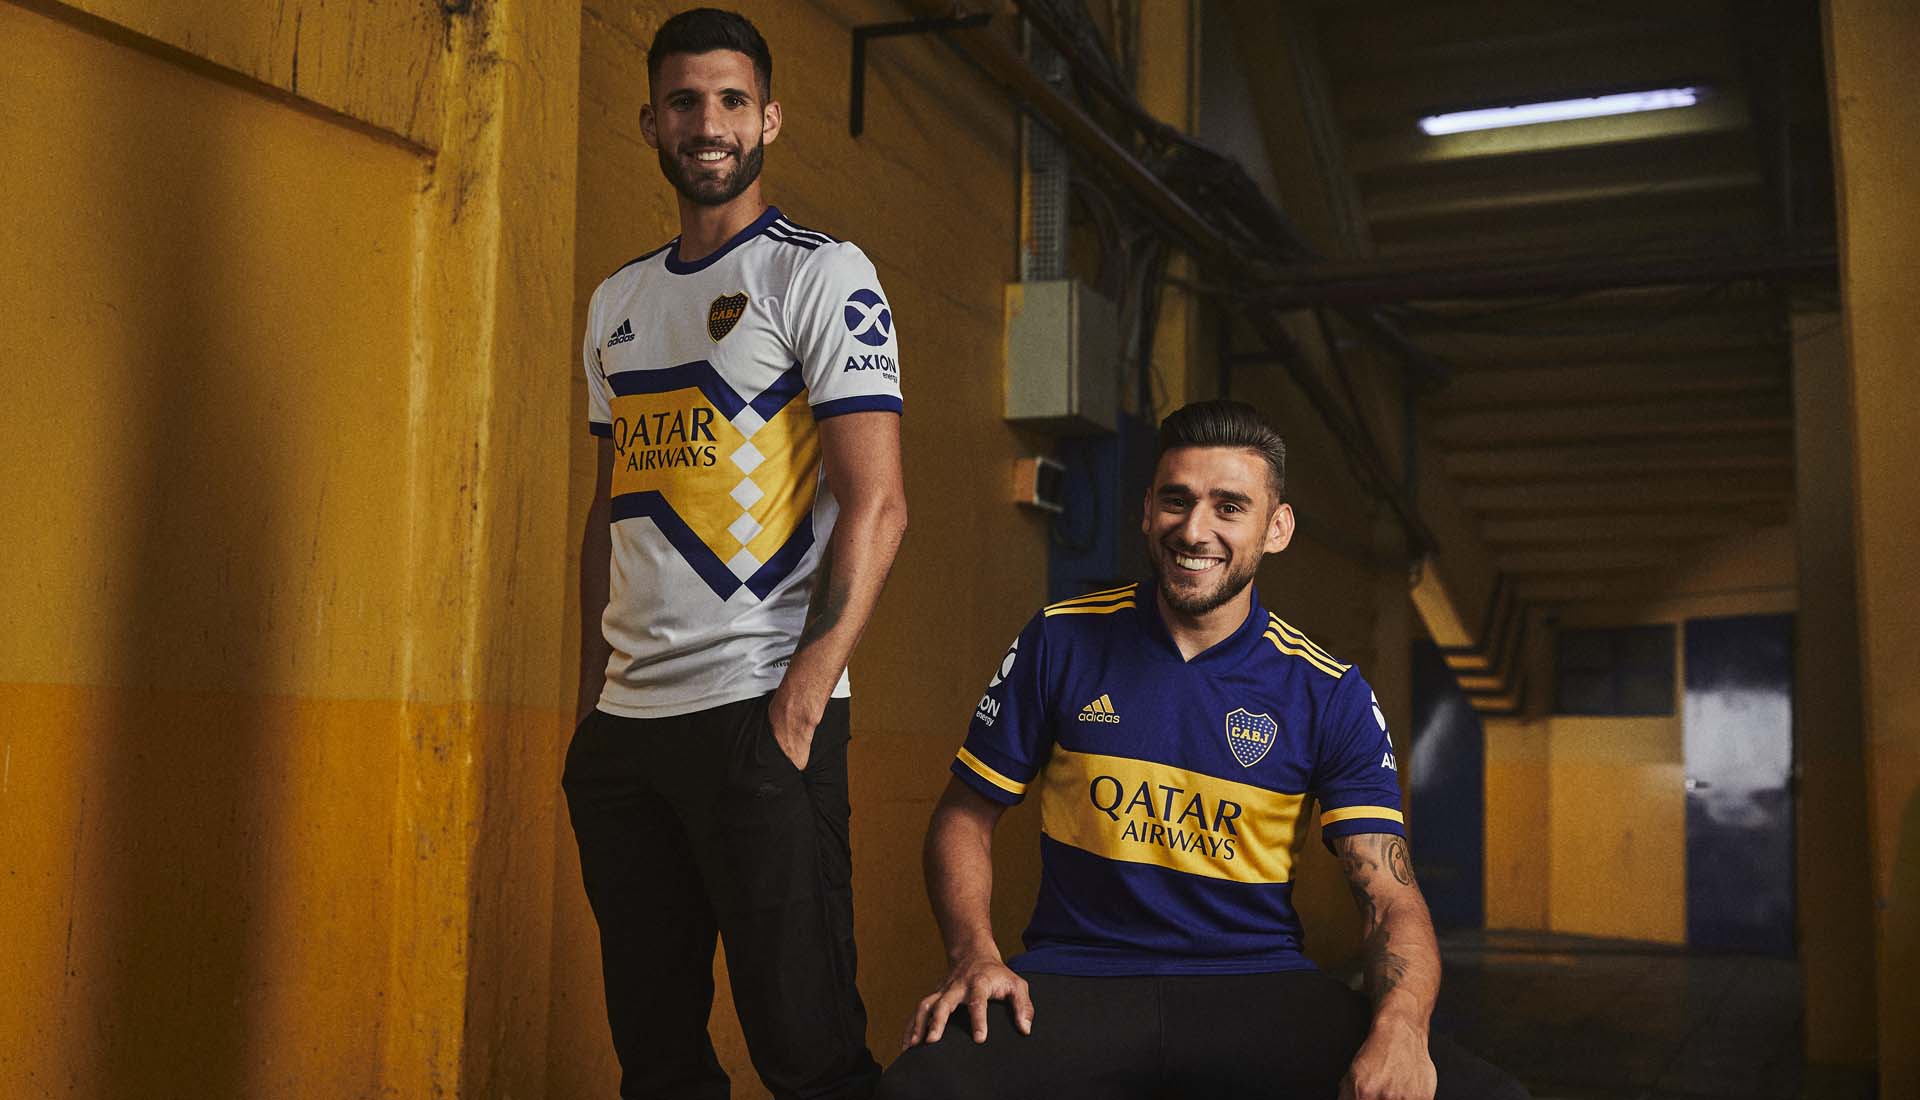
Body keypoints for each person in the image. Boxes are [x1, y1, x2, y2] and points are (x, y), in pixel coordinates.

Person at [878, 402, 1525, 1100]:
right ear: (1146, 510)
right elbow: (964, 817)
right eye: (1176, 500)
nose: (1194, 529)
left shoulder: (1328, 691)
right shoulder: (1061, 640)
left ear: (1276, 528)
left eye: (1229, 507)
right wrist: (973, 955)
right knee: (918, 1089)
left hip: (1258, 985)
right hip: (1079, 977)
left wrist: (1402, 1027)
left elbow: (1389, 897)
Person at [564, 9, 906, 1100]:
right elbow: (610, 509)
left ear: (769, 119)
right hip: (628, 737)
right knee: (657, 1059)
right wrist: (593, 702)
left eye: (729, 100)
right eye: (682, 101)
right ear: (650, 122)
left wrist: (799, 707)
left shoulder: (821, 274)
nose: (705, 123)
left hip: (760, 715)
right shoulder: (616, 301)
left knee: (809, 1054)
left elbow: (879, 505)